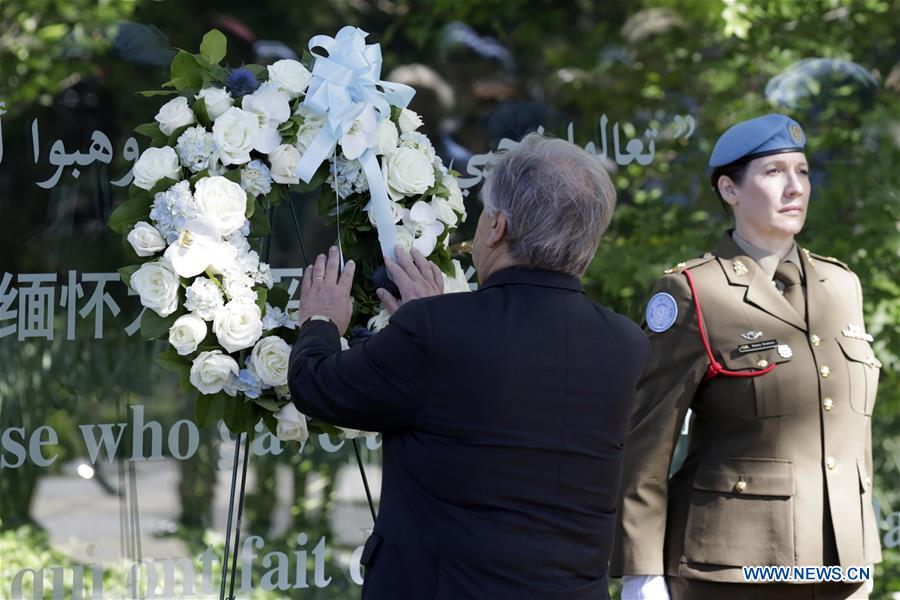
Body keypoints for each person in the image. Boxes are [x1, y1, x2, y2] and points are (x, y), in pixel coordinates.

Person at [289, 134, 650, 599]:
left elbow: (318, 387)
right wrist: (435, 321)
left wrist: (321, 319)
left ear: (496, 226)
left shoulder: (437, 331)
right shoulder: (625, 344)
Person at [610, 114, 882, 599]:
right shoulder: (694, 291)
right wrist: (641, 573)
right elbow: (646, 441)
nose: (795, 188)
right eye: (774, 172)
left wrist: (860, 559)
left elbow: (850, 434)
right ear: (730, 190)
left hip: (837, 571)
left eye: (802, 171)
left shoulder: (842, 285)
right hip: (731, 569)